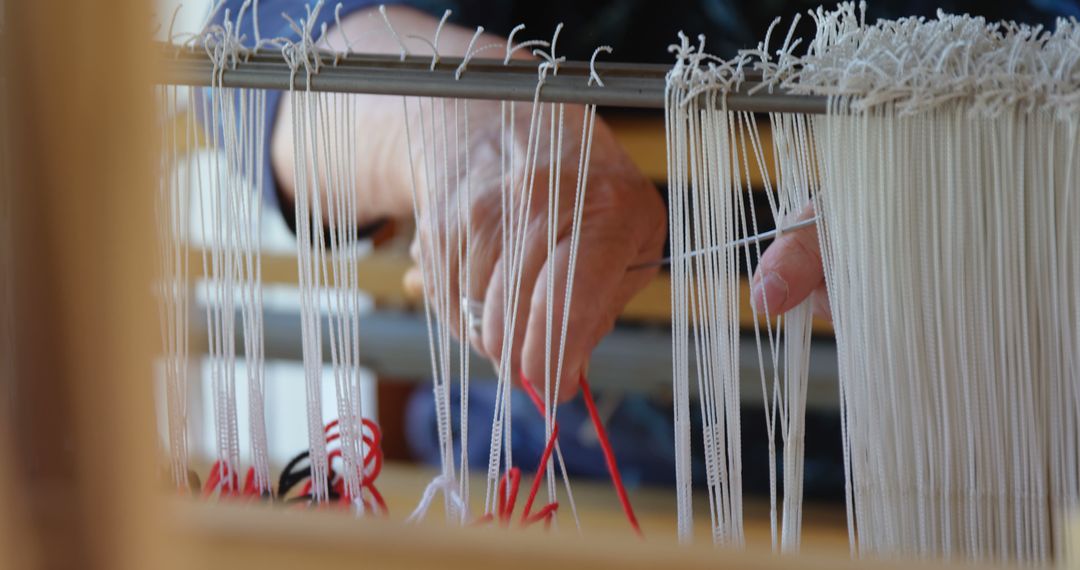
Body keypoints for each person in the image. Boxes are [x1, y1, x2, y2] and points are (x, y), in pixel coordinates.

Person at [211, 0, 1074, 403]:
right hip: (540, 471)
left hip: (973, 433)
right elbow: (252, 40)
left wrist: (998, 179)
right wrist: (447, 117)